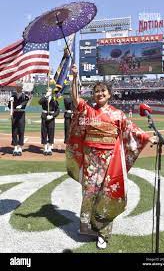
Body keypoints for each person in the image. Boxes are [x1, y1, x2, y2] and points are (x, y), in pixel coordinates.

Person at [66, 64, 157, 250]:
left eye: (103, 91)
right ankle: (89, 227)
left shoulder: (118, 114)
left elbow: (132, 131)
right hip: (91, 160)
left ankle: (104, 234)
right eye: (96, 91)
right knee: (89, 194)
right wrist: (74, 77)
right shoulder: (88, 111)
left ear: (109, 94)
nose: (99, 93)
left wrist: (148, 137)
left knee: (107, 195)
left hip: (109, 160)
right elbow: (76, 98)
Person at [8, 85, 30, 156]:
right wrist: (10, 101)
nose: (18, 89)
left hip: (21, 115)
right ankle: (15, 148)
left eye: (20, 88)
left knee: (21, 131)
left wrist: (21, 105)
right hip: (15, 115)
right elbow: (9, 106)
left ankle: (20, 148)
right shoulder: (13, 96)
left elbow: (26, 101)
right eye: (17, 88)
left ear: (22, 89)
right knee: (14, 131)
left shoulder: (24, 96)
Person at [39, 88, 60, 155]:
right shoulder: (44, 98)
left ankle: (50, 148)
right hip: (44, 116)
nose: (48, 92)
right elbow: (39, 102)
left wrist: (52, 116)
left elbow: (57, 110)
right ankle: (45, 148)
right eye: (47, 91)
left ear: (51, 92)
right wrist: (45, 96)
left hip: (51, 117)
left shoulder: (54, 99)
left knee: (51, 132)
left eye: (50, 91)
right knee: (44, 132)